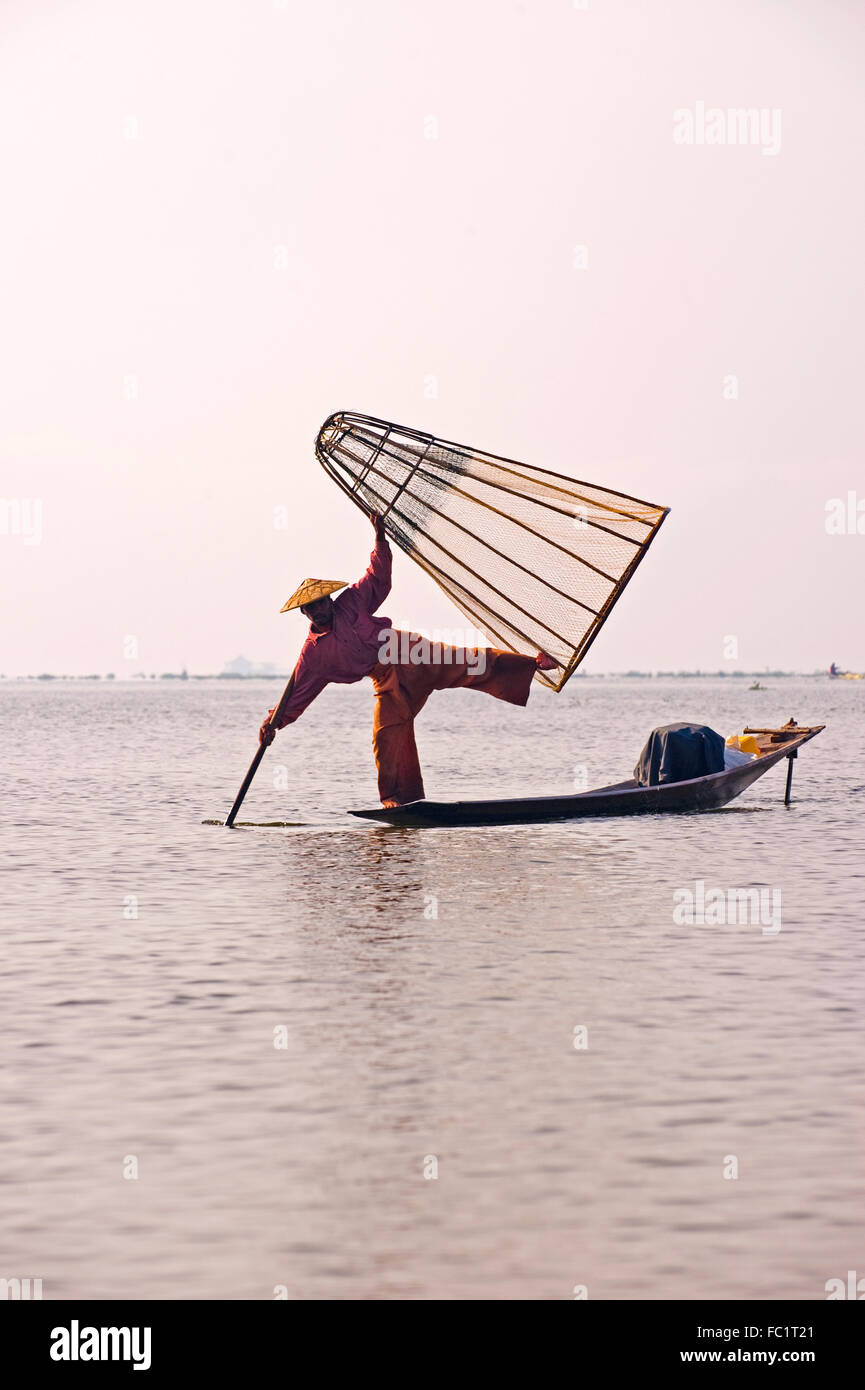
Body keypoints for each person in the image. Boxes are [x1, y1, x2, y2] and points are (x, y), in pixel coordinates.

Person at [260, 512, 558, 807]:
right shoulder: (313, 655)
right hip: (386, 681)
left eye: (320, 602)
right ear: (304, 614)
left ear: (328, 599)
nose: (318, 610)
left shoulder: (350, 602)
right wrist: (273, 722)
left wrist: (379, 538)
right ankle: (401, 802)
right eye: (310, 608)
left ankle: (532, 663)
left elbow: (377, 578)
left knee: (469, 662)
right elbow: (298, 692)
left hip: (405, 651)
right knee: (385, 736)